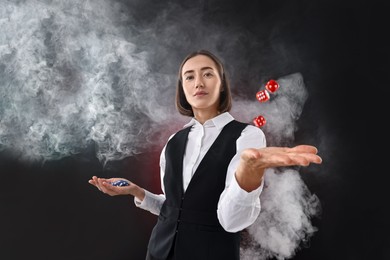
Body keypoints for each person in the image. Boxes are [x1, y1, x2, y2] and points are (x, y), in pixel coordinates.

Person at [88, 49, 322, 260]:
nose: (198, 82)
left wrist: (247, 173)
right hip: (158, 252)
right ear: (183, 89)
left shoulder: (247, 136)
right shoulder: (174, 141)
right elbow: (176, 209)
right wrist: (137, 192)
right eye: (189, 76)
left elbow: (231, 221)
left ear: (221, 84)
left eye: (207, 74)